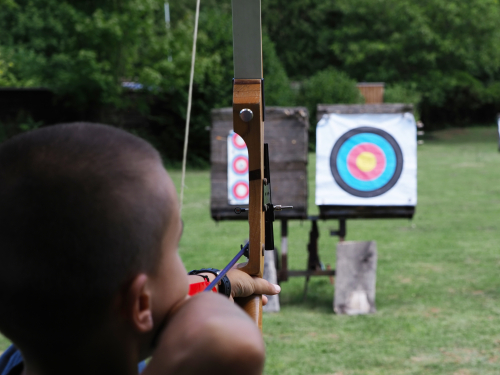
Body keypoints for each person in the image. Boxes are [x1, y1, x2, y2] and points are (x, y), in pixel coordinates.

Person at [0, 123, 280, 375]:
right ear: (141, 304)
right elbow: (240, 345)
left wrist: (217, 283)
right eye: (174, 248)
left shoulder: (23, 354)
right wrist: (208, 305)